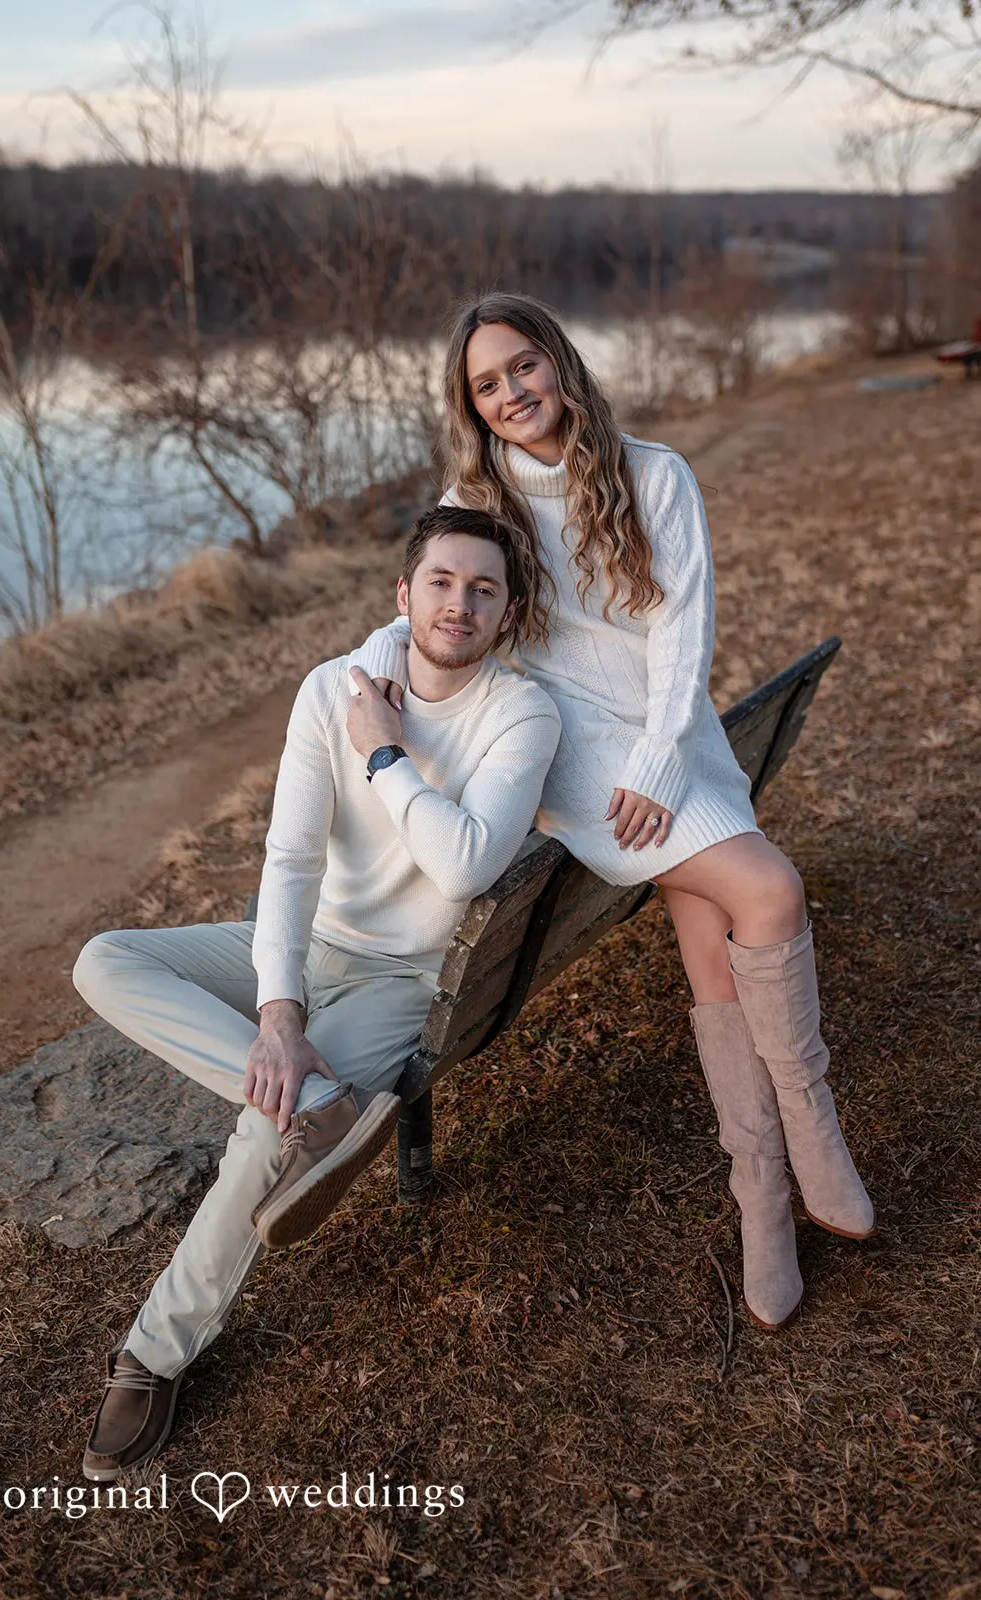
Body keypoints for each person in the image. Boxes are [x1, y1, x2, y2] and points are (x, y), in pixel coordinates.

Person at [351, 292, 874, 1333]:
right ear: (470, 404)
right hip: (567, 747)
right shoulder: (479, 491)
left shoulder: (652, 473)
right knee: (764, 885)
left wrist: (661, 759)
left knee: (709, 930)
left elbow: (683, 633)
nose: (510, 396)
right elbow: (427, 596)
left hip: (665, 739)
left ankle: (759, 1196)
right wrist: (365, 673)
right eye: (485, 385)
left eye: (522, 368)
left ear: (560, 361)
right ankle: (811, 1130)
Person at [71, 505, 561, 1480]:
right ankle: (322, 1103)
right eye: (439, 582)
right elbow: (290, 857)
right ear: (402, 593)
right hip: (303, 942)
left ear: (506, 612)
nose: (457, 604)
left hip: (400, 975)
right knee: (105, 959)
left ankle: (153, 1353)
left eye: (481, 589)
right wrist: (277, 1015)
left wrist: (384, 750)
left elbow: (463, 865)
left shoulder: (521, 712)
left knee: (260, 1126)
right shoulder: (329, 687)